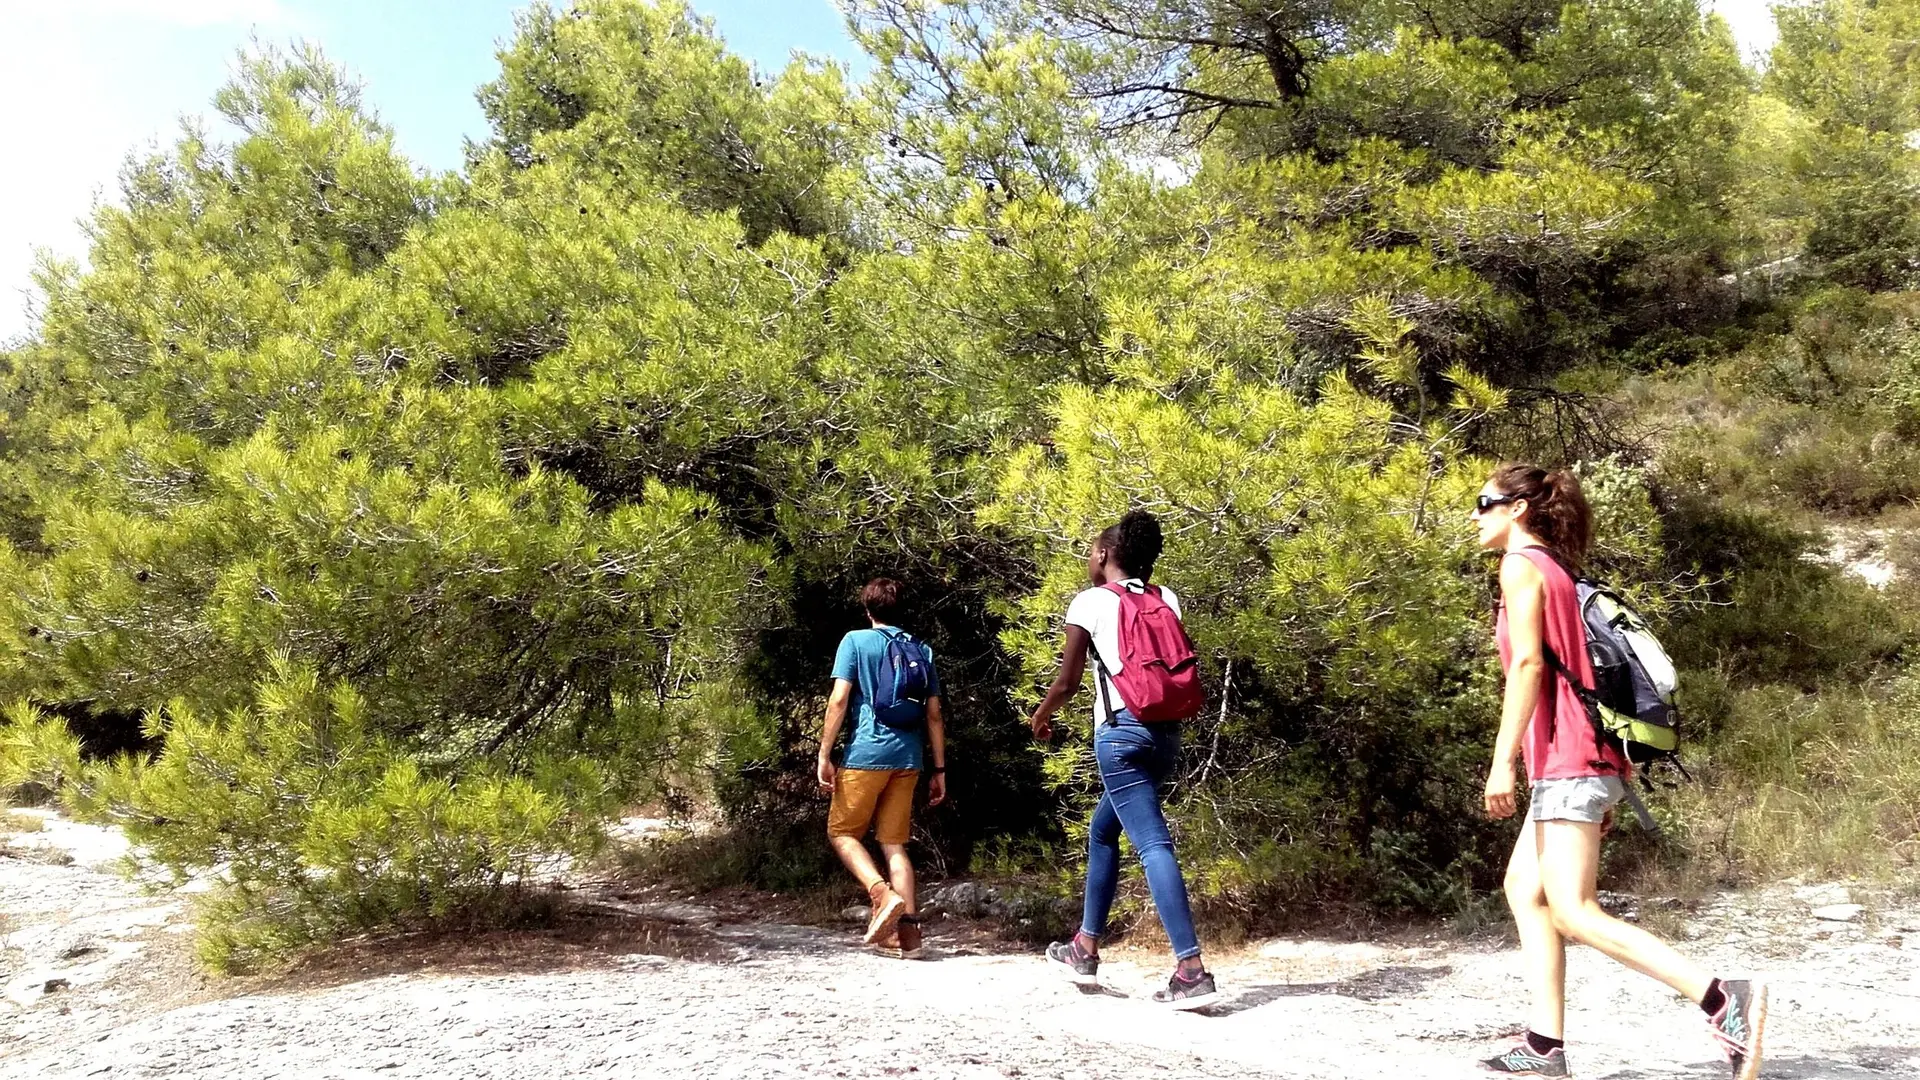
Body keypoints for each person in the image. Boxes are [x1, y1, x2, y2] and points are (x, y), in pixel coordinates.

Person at [1474, 464, 1766, 1080]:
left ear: (1518, 509)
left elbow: (1528, 666)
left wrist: (1502, 763)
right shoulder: (1559, 570)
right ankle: (1544, 1046)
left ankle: (1721, 998)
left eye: (1485, 503)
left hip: (1569, 759)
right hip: (1580, 758)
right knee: (1524, 889)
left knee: (1574, 909)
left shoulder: (1523, 566)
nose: (1477, 515)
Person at [1026, 510, 1218, 1010]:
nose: (1090, 560)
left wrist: (1042, 714)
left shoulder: (1090, 602)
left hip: (1120, 738)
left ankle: (1191, 970)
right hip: (1165, 734)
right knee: (1102, 830)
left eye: (1092, 551)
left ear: (1106, 555)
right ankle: (1083, 949)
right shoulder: (1164, 598)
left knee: (1152, 843)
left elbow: (1067, 682)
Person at [817, 577, 947, 960]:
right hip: (909, 758)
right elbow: (934, 716)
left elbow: (839, 700)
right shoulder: (921, 649)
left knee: (841, 832)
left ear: (867, 609)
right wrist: (939, 770)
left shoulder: (855, 641)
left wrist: (825, 753)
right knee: (894, 844)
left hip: (865, 755)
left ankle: (880, 893)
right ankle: (908, 938)